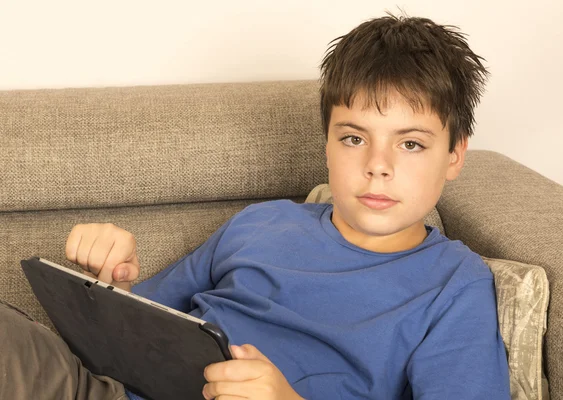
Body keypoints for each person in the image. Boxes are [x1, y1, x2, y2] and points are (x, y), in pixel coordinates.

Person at [0, 12, 511, 400]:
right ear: (327, 144)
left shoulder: (454, 282)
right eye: (354, 139)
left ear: (454, 156)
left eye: (411, 144)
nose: (378, 165)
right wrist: (114, 284)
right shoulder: (263, 221)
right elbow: (144, 328)